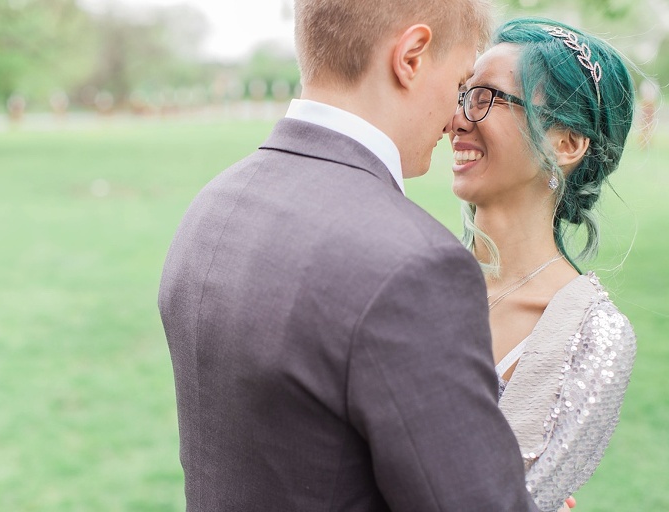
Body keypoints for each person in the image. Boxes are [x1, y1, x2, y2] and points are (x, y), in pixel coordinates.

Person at [159, 0, 541, 510]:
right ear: (411, 57)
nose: (456, 119)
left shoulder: (214, 205)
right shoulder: (415, 265)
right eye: (458, 83)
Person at [449, 17, 637, 512]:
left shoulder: (592, 336)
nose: (456, 120)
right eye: (460, 94)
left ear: (566, 143)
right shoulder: (408, 273)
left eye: (484, 98)